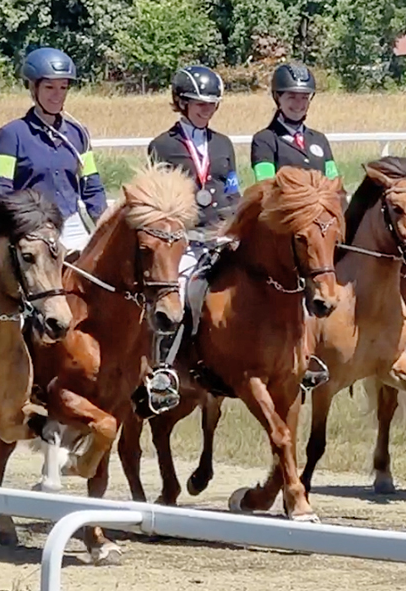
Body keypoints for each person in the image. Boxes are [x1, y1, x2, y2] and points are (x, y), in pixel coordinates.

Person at [139, 64, 241, 414]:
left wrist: (233, 229)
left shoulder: (224, 144)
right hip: (183, 239)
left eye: (212, 103)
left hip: (219, 237)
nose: (206, 109)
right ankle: (164, 370)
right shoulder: (162, 146)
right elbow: (162, 199)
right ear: (180, 102)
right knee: (178, 296)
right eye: (199, 103)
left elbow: (232, 192)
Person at [250, 61, 338, 390]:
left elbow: (332, 185)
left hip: (320, 229)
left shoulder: (319, 141)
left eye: (304, 97)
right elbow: (266, 186)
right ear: (278, 98)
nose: (298, 103)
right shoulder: (265, 140)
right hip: (286, 231)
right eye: (291, 97)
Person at [0, 47, 108, 257]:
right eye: (50, 87)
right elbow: (1, 188)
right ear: (34, 89)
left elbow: (91, 185)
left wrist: (105, 224)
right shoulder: (11, 134)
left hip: (72, 224)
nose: (57, 95)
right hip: (34, 227)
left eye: (63, 87)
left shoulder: (79, 134)